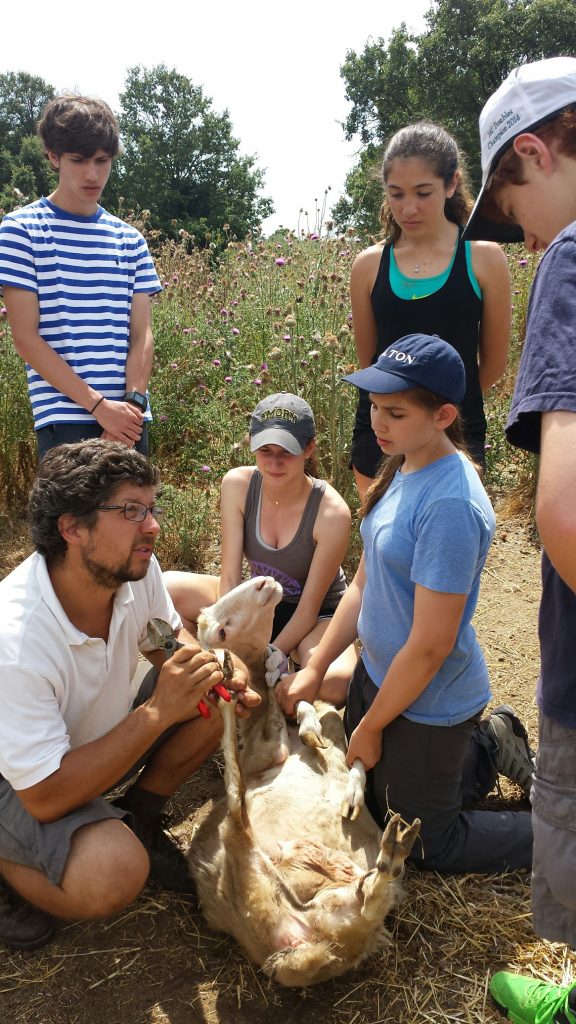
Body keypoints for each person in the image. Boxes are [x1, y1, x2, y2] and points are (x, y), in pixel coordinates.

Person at [276, 333, 534, 874]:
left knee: (419, 842)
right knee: (371, 804)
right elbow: (365, 581)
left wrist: (371, 728)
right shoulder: (403, 462)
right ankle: (487, 745)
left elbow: (432, 644)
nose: (378, 422)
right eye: (374, 406)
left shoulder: (450, 505)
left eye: (395, 412)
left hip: (429, 696)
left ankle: (557, 830)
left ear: (443, 415)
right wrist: (316, 666)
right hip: (378, 675)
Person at [0, 440, 258, 952]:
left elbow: (164, 636)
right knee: (114, 873)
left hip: (82, 749)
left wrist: (215, 670)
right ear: (72, 528)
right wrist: (158, 712)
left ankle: (139, 816)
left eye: (151, 508)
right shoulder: (15, 641)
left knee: (213, 694)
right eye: (131, 511)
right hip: (22, 782)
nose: (153, 526)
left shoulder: (132, 570)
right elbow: (44, 796)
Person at [462, 55, 576, 1024]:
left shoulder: (571, 259)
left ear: (534, 152)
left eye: (513, 212)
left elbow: (564, 512)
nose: (527, 240)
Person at [349, 121, 512, 496]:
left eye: (423, 193)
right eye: (396, 194)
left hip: (454, 429)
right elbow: (369, 361)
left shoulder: (484, 258)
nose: (409, 208)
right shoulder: (368, 265)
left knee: (449, 529)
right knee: (381, 532)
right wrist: (398, 415)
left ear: (451, 184)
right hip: (380, 436)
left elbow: (491, 366)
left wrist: (431, 410)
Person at [165, 392, 358, 705]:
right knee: (167, 589)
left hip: (316, 615)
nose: (274, 462)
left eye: (287, 452)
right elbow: (230, 579)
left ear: (309, 449)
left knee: (336, 684)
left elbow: (308, 609)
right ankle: (208, 668)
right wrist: (226, 642)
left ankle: (286, 665)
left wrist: (270, 655)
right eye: (265, 450)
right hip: (260, 602)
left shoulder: (332, 513)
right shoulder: (237, 484)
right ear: (251, 444)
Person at [0, 94, 161, 459]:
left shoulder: (130, 239)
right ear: (53, 156)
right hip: (64, 420)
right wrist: (99, 407)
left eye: (102, 161)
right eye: (79, 160)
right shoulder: (20, 230)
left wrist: (131, 406)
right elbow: (26, 337)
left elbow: (142, 334)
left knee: (138, 501)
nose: (92, 174)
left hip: (130, 419)